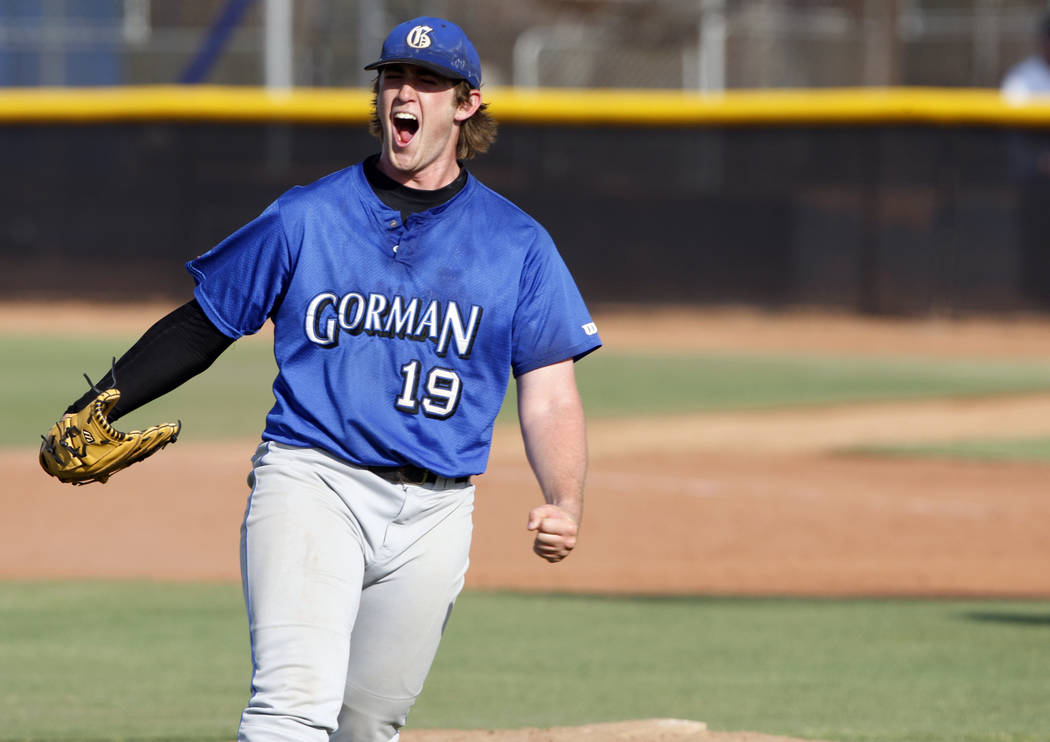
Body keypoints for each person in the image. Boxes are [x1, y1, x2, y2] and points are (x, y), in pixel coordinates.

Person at [44, 16, 601, 742]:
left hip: (438, 513)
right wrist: (94, 404)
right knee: (291, 710)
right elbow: (203, 324)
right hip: (313, 482)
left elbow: (551, 388)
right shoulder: (307, 217)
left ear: (465, 105)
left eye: (428, 81)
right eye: (394, 77)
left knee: (368, 725)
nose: (406, 92)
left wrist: (564, 499)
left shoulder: (518, 244)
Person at [1001, 12, 1050, 306]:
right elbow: (1013, 127)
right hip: (1034, 173)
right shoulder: (1023, 76)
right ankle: (1033, 299)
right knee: (1036, 238)